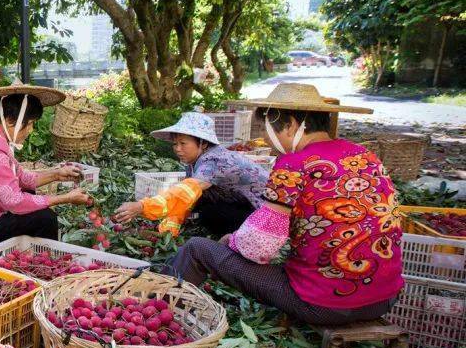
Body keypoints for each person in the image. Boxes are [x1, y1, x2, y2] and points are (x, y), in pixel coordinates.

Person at [169, 83, 404, 325]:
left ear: (291, 125)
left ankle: (157, 306)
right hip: (384, 299)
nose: (266, 139)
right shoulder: (367, 156)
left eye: (268, 129)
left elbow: (258, 247)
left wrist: (232, 240)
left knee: (196, 248)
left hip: (324, 304)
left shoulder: (293, 164)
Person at [0, 84, 93, 257]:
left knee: (30, 193)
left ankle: (25, 252)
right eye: (31, 123)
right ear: (13, 121)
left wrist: (57, 174)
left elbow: (21, 177)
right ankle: (43, 263)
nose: (31, 130)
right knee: (46, 219)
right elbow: (15, 202)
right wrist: (66, 198)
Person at [113, 112, 269, 238]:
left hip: (266, 215)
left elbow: (185, 191)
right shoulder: (194, 161)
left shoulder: (214, 160)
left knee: (209, 213)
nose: (177, 149)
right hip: (243, 203)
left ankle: (234, 238)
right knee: (200, 201)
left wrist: (142, 206)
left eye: (183, 143)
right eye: (175, 143)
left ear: (203, 143)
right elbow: (185, 197)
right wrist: (168, 232)